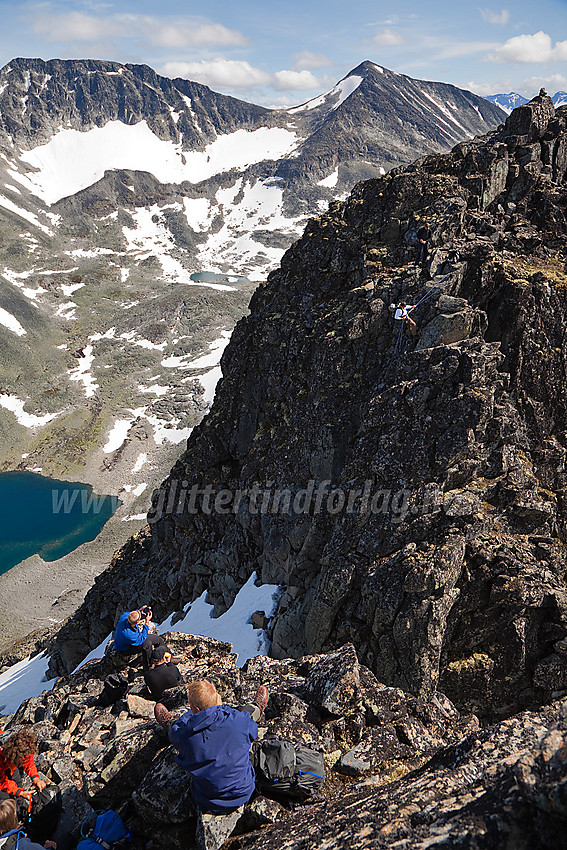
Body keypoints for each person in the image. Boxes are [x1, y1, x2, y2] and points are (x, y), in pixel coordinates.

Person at [154, 680, 269, 814]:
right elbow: (252, 730)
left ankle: (168, 722)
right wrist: (219, 708)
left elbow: (176, 733)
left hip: (208, 799)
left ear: (195, 709)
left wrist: (190, 718)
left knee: (176, 730)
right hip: (243, 791)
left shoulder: (183, 734)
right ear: (218, 699)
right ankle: (257, 707)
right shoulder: (238, 720)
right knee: (246, 720)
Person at [0, 730, 45, 806]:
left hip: (10, 767)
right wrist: (19, 792)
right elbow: (2, 782)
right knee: (5, 801)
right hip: (2, 771)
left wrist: (35, 778)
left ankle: (21, 809)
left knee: (17, 785)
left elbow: (28, 761)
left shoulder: (22, 743)